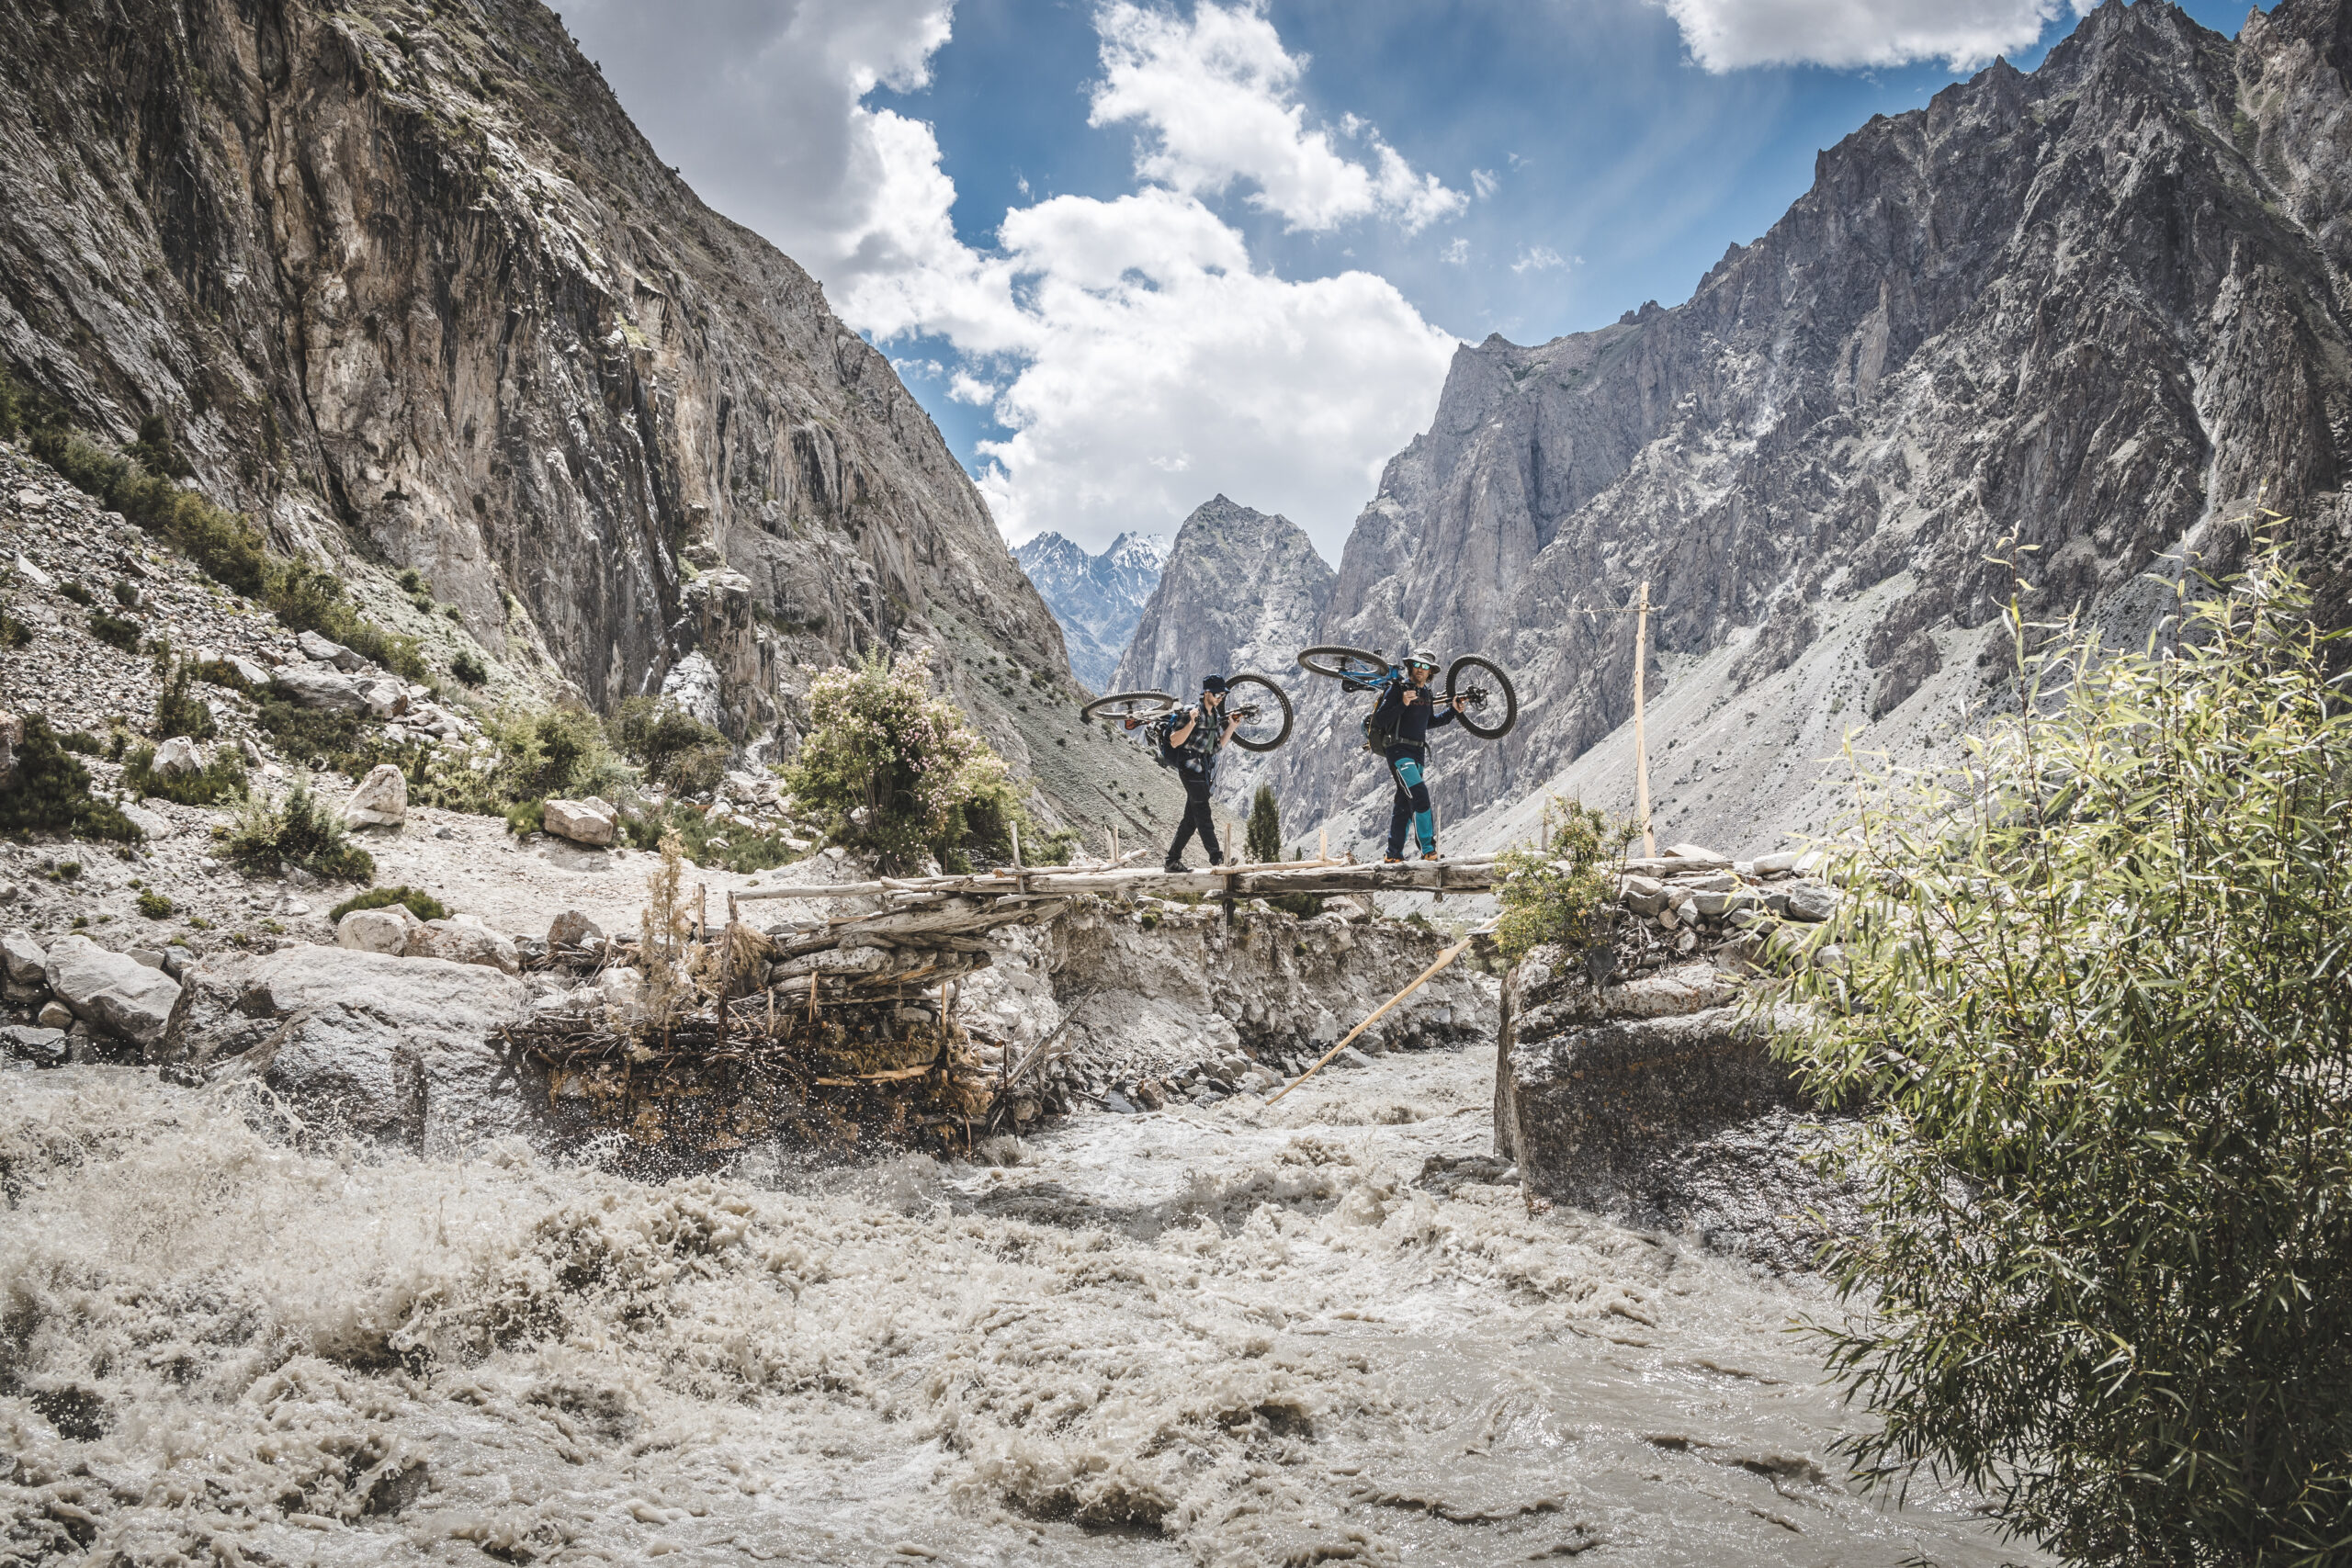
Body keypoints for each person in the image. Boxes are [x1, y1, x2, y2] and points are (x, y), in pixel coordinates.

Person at [1371, 649, 1455, 863]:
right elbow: (1380, 719)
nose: (1421, 669)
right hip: (1398, 751)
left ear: (1430, 673)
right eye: (1417, 665)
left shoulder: (1426, 694)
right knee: (1420, 796)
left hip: (1417, 754)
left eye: (1426, 667)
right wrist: (1403, 703)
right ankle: (1428, 850)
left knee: (1403, 805)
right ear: (1410, 667)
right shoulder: (1397, 689)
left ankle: (1393, 854)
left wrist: (1454, 711)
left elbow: (1430, 723)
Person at [1152, 674, 1239, 871]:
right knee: (1203, 813)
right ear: (1206, 693)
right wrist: (1191, 723)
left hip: (1204, 771)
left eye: (1223, 695)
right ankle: (1217, 858)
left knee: (1190, 821)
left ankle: (1172, 860)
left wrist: (1232, 727)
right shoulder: (1189, 712)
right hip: (1189, 768)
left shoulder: (1215, 716)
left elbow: (1216, 746)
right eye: (1217, 694)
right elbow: (1175, 741)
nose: (1220, 698)